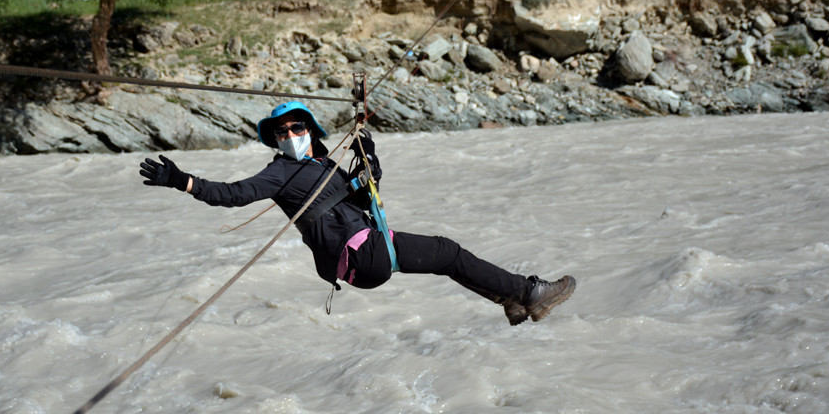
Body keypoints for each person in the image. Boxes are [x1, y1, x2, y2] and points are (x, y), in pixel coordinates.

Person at [139, 101, 576, 326]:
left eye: (296, 127)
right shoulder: (279, 173)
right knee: (448, 252)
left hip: (368, 249)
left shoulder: (325, 167)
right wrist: (182, 180)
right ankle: (528, 293)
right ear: (275, 141)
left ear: (310, 130)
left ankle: (513, 300)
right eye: (281, 132)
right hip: (363, 255)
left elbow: (364, 201)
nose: (289, 135)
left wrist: (369, 160)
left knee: (448, 257)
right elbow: (232, 194)